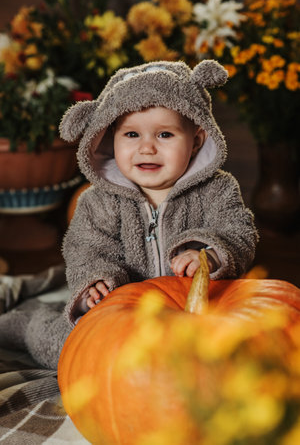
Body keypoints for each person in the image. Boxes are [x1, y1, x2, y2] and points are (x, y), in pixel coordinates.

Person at [0, 60, 258, 369]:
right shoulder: (99, 201)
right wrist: (95, 283)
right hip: (123, 314)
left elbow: (240, 231)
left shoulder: (218, 189)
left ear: (196, 141)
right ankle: (27, 327)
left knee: (240, 354)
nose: (147, 148)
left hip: (197, 311)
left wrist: (211, 253)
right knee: (71, 349)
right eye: (132, 135)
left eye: (164, 135)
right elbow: (84, 248)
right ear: (110, 138)